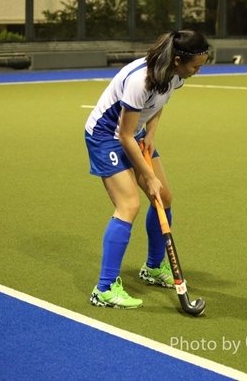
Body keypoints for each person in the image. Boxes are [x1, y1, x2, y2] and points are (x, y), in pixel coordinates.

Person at [84, 30, 210, 309]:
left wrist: (151, 133)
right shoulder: (140, 80)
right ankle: (104, 289)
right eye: (196, 66)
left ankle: (153, 268)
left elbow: (158, 103)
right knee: (129, 205)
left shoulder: (175, 75)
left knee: (163, 198)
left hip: (135, 134)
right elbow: (123, 135)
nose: (198, 71)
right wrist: (149, 176)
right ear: (178, 60)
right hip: (106, 136)